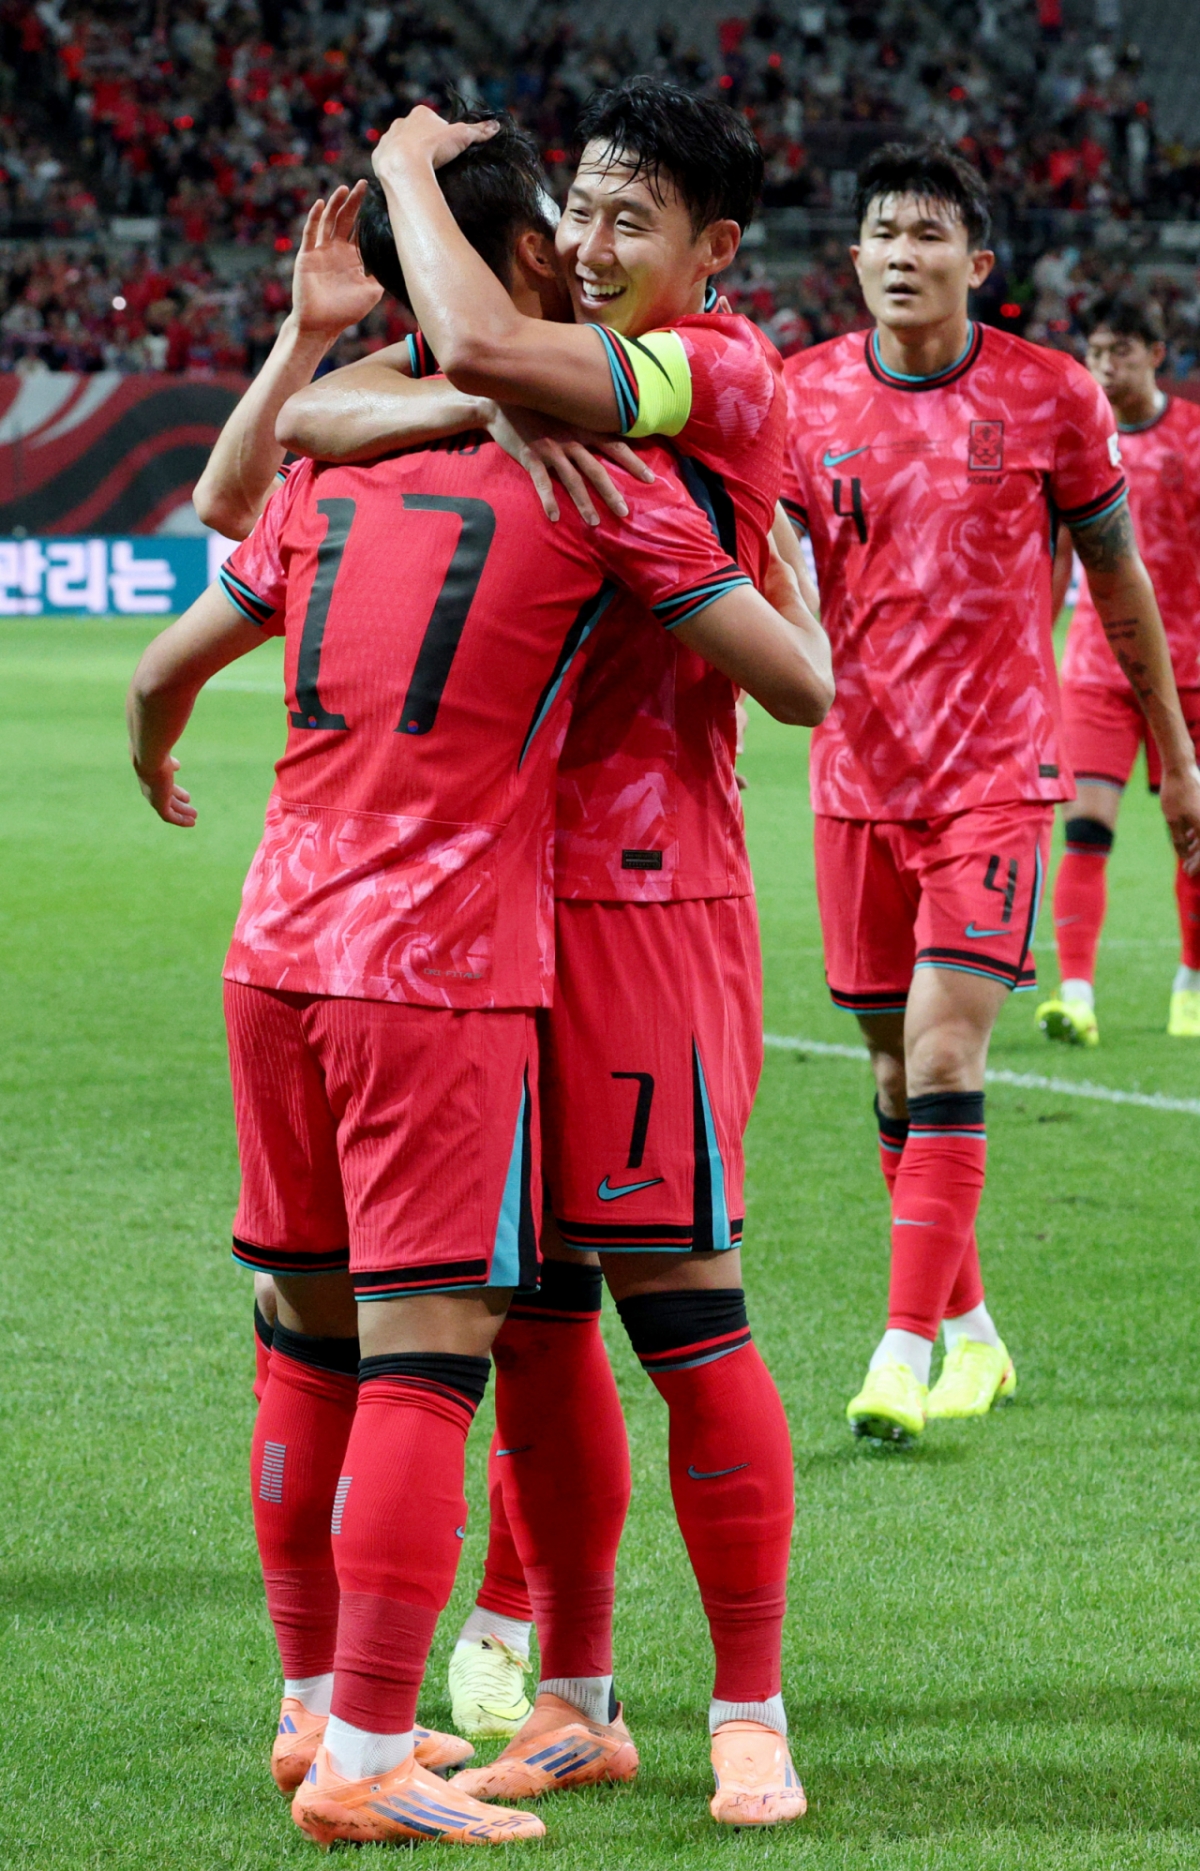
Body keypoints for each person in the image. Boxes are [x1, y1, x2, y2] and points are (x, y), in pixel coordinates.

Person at [128, 116, 830, 1851]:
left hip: (637, 894)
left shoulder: (709, 374)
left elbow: (471, 373)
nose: (594, 243)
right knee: (521, 1324)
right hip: (475, 927)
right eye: (578, 210)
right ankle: (573, 1699)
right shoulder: (541, 415)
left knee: (679, 1300)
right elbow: (306, 435)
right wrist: (395, 368)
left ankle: (748, 1711)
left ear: (712, 252)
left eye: (629, 219)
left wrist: (440, 295)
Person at [780, 141, 1200, 1447]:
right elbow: (769, 563)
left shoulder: (1052, 397)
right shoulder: (801, 398)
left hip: (995, 775)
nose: (901, 253)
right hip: (855, 775)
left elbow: (1116, 579)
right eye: (881, 231)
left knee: (951, 1045)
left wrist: (1177, 758)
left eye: (927, 232)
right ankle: (971, 1330)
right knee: (892, 1061)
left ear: (980, 260)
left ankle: (901, 1347)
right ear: (854, 257)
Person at [1037, 293, 1200, 1045]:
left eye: (1121, 352)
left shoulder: (1193, 439)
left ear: (1156, 355)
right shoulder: (1076, 443)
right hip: (1099, 670)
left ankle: (1190, 988)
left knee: (1191, 835)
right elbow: (1057, 561)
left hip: (1192, 672)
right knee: (1086, 832)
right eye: (1096, 352)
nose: (1106, 366)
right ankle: (1076, 996)